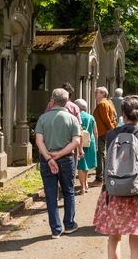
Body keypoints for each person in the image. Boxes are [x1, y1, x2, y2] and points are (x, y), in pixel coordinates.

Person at [93, 96, 138, 259]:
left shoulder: (111, 135)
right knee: (136, 239)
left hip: (114, 191)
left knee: (114, 237)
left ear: (123, 115)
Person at [35, 88, 81, 238]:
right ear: (66, 102)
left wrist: (49, 158)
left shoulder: (43, 118)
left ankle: (55, 229)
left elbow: (39, 141)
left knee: (50, 194)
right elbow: (76, 141)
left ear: (52, 101)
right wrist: (60, 154)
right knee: (68, 191)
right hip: (66, 159)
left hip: (47, 160)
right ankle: (69, 224)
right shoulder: (72, 119)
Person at [93, 86, 118, 183]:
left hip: (103, 132)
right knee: (103, 154)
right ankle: (103, 176)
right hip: (105, 132)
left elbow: (106, 119)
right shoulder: (108, 103)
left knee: (100, 154)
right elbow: (114, 118)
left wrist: (112, 129)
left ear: (103, 94)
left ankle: (100, 177)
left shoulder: (103, 104)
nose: (95, 93)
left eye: (97, 92)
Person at [74, 98, 98, 194]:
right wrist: (96, 143)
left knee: (81, 165)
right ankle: (86, 183)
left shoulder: (76, 117)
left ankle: (82, 187)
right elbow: (96, 132)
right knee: (86, 164)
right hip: (89, 141)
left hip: (80, 141)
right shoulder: (91, 117)